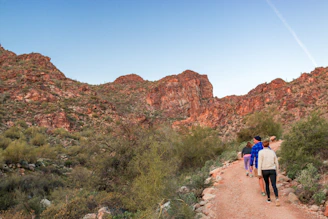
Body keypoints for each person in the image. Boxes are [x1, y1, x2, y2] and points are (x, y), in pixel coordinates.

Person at [258, 139, 280, 206]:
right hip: (272, 169)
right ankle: (277, 198)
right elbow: (276, 161)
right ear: (268, 145)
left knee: (267, 184)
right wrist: (277, 170)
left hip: (264, 170)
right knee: (274, 184)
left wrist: (259, 173)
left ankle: (269, 198)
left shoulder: (260, 152)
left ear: (262, 145)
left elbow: (260, 163)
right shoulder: (272, 152)